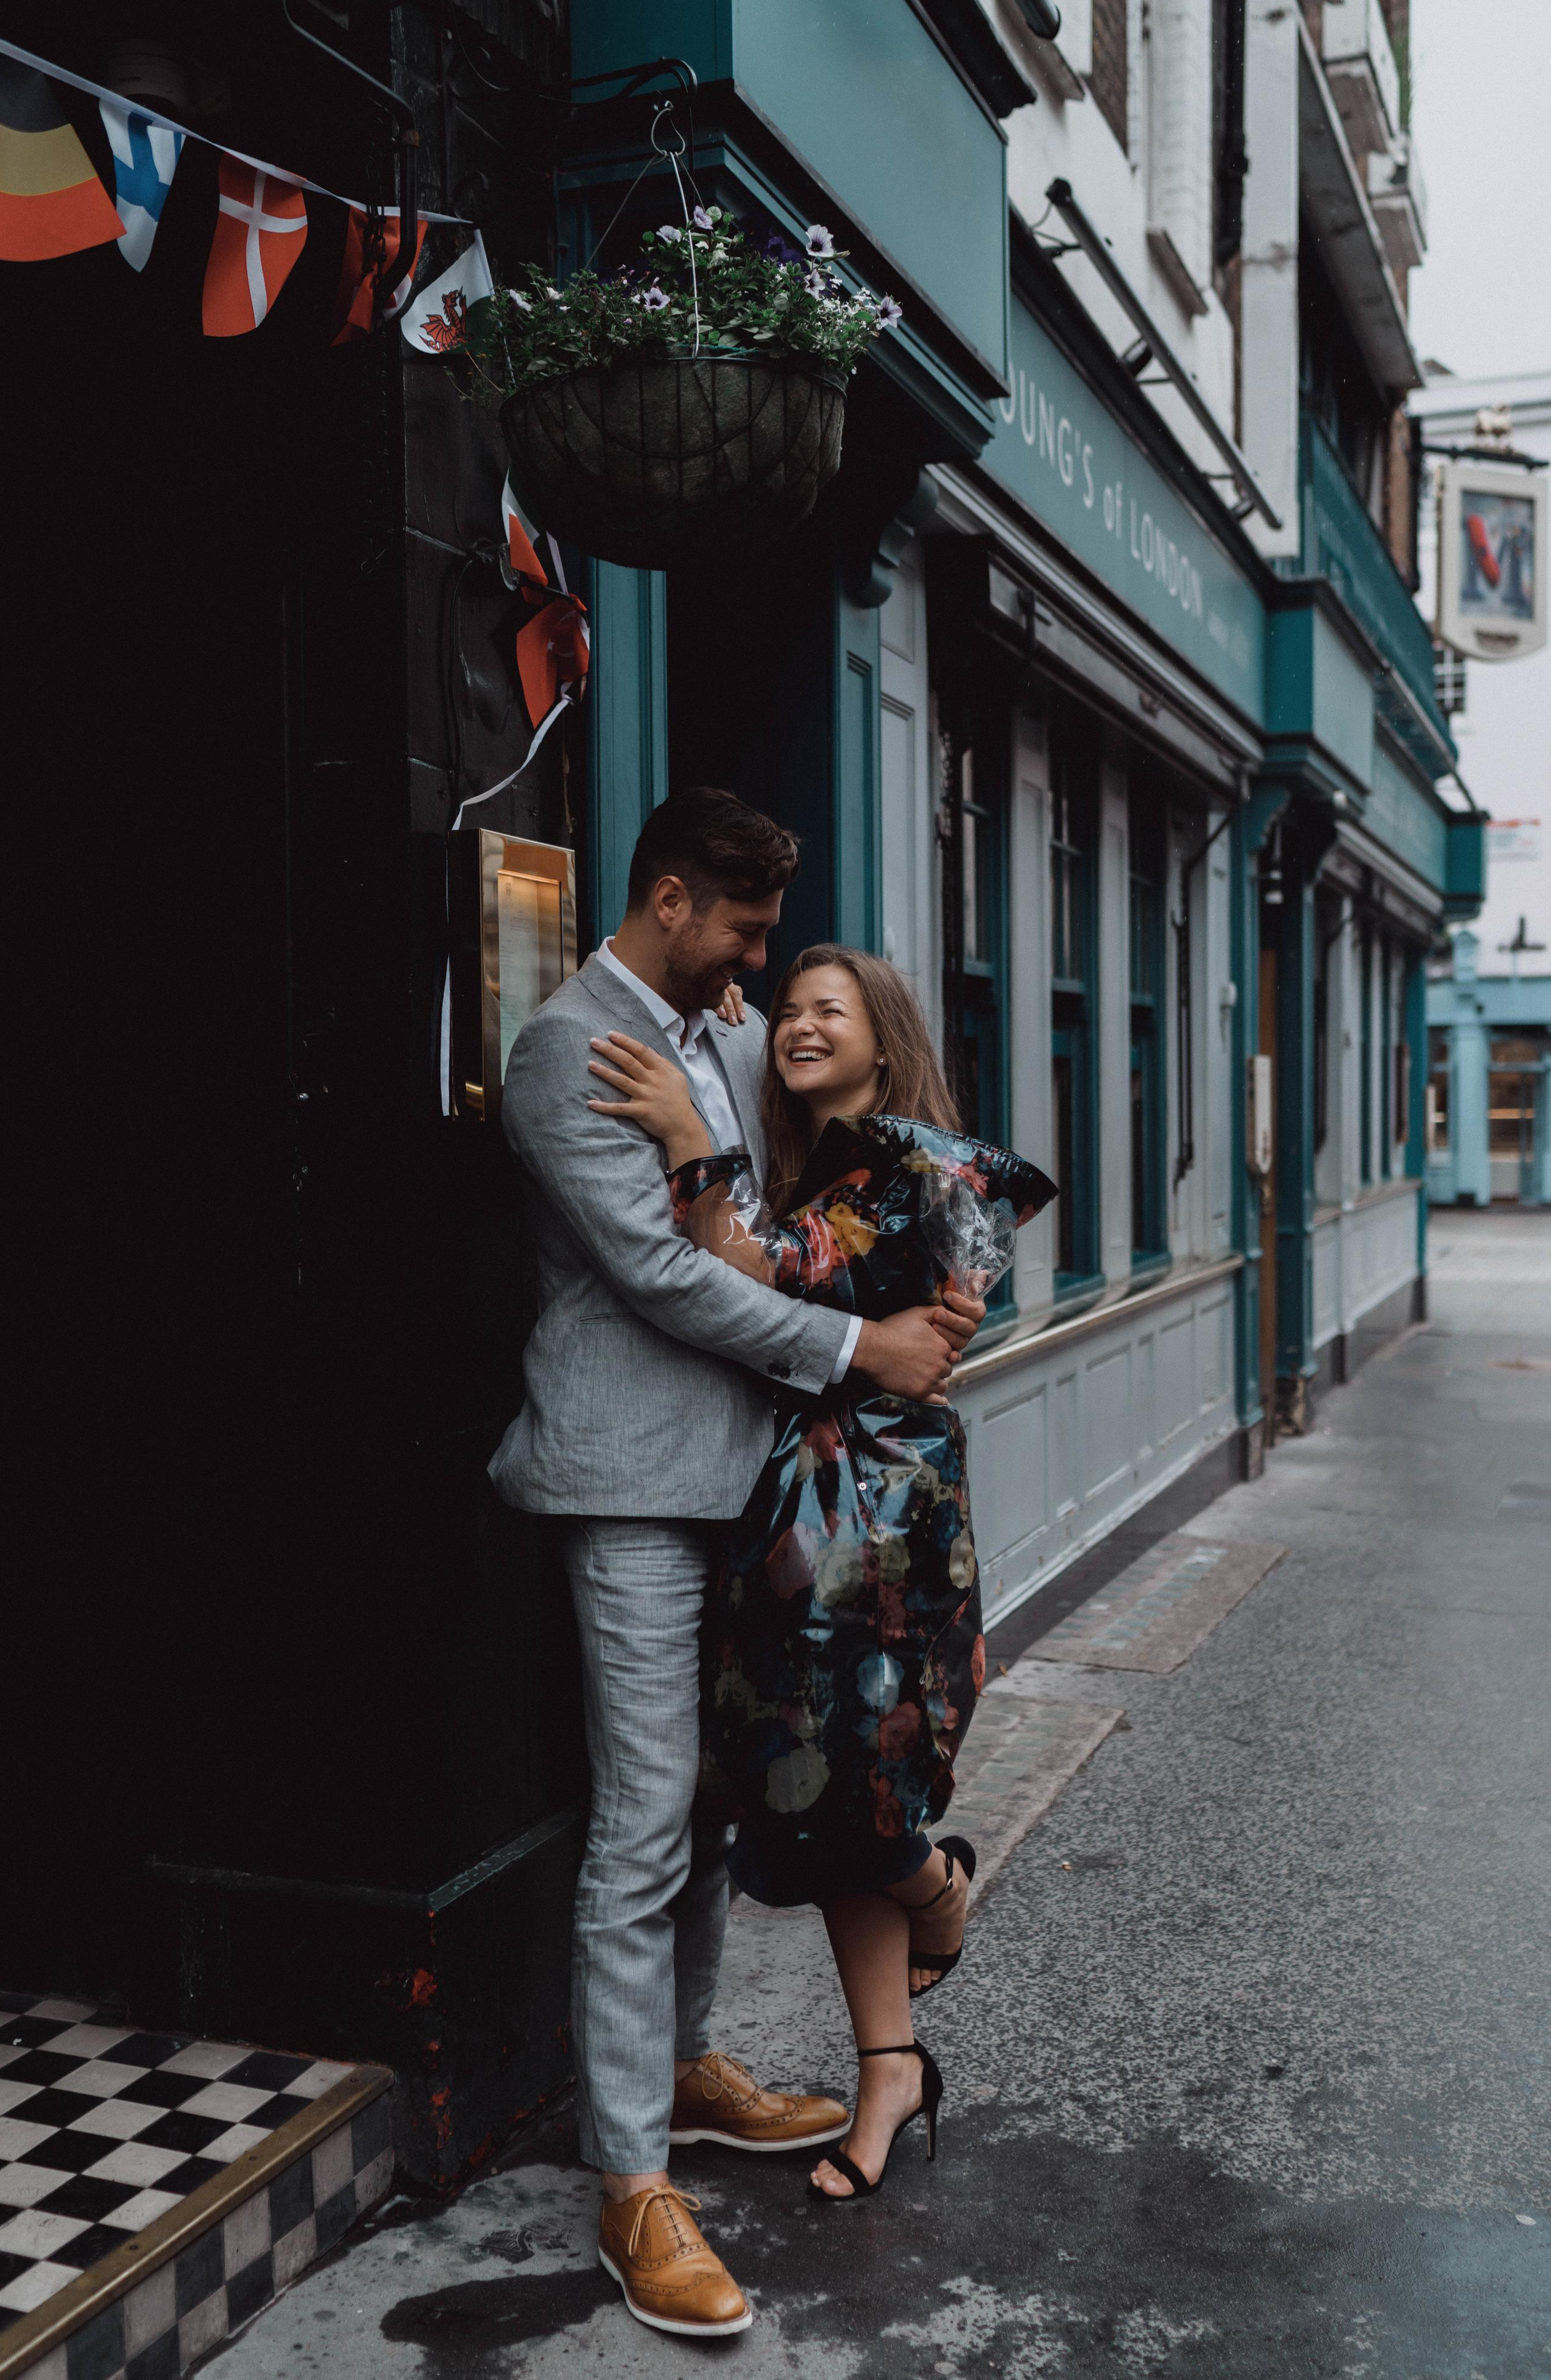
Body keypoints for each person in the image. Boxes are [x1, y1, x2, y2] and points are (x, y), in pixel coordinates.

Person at [489, 793, 982, 2333]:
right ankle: (632, 2178)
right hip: (634, 1485)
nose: (762, 972)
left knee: (706, 1804)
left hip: (755, 1484)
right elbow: (654, 1274)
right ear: (669, 897)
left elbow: (754, 1218)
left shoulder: (714, 1024)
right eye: (746, 934)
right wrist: (861, 1342)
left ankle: (688, 2060)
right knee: (640, 1820)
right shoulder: (570, 1048)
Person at [586, 942, 1050, 2204]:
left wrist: (686, 1122)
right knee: (844, 1772)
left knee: (847, 1773)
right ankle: (888, 2064)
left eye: (824, 1009)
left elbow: (740, 1264)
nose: (795, 1023)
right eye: (783, 1007)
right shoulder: (846, 1165)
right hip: (826, 1506)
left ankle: (935, 1887)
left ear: (883, 1033)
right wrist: (731, 1040)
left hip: (869, 1521)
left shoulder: (903, 1163)